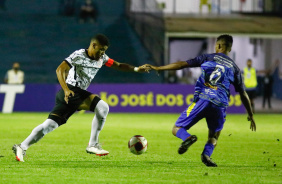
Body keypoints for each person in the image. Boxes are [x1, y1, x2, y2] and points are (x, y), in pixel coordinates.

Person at [12, 34, 148, 162]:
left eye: (104, 50)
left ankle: (22, 146)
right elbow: (60, 70)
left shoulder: (102, 58)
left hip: (73, 95)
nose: (102, 53)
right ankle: (93, 144)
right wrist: (66, 90)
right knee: (102, 107)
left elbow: (118, 65)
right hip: (71, 91)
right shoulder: (78, 55)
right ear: (93, 45)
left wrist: (136, 69)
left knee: (49, 125)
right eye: (101, 49)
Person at [142, 34, 256, 167]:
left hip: (203, 99)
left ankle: (188, 138)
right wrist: (251, 114)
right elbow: (243, 93)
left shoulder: (208, 57)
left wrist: (159, 68)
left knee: (177, 128)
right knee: (214, 136)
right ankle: (206, 155)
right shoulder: (235, 68)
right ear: (229, 49)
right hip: (220, 104)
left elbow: (182, 64)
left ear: (218, 46)